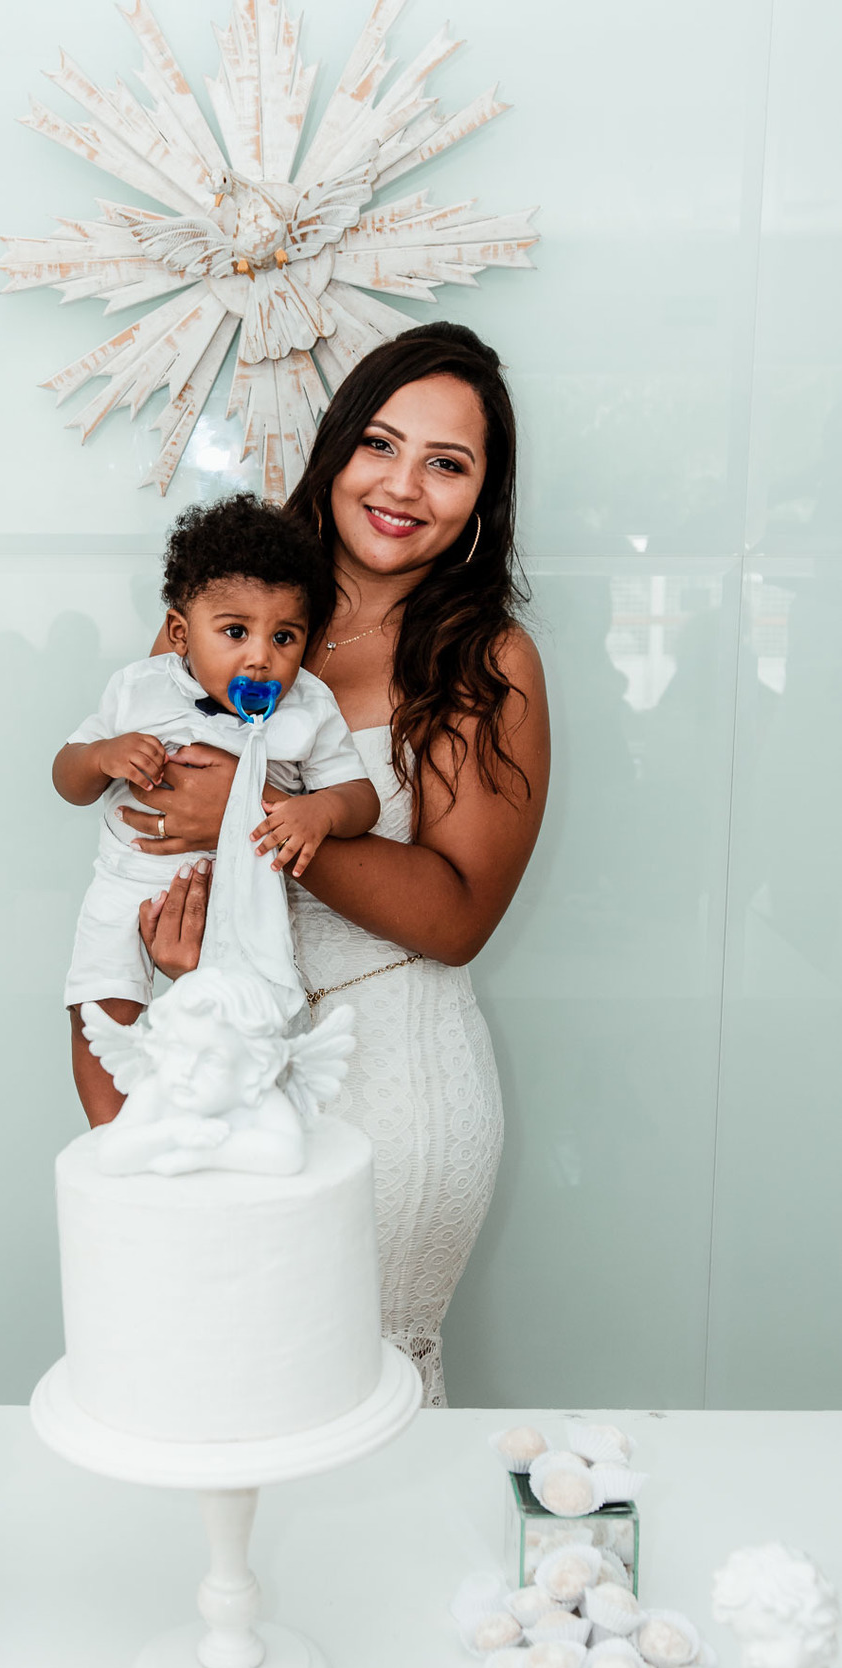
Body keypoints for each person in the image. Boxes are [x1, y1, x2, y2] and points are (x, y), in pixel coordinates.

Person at [124, 322, 551, 1406]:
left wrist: (255, 812)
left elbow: (458, 918)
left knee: (357, 1403)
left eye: (448, 464)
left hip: (393, 1086)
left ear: (481, 499)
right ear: (334, 454)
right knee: (224, 1392)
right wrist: (181, 967)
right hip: (226, 1069)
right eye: (379, 444)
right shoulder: (248, 617)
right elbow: (152, 823)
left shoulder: (482, 659)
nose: (404, 484)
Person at [53, 492, 379, 1125]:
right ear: (181, 633)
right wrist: (102, 756)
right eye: (235, 632)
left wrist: (319, 813)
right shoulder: (139, 687)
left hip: (237, 896)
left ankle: (225, 1132)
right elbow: (67, 777)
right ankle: (112, 1134)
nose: (261, 656)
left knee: (239, 1024)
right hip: (125, 883)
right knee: (98, 1008)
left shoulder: (305, 706)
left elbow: (360, 798)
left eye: (284, 636)